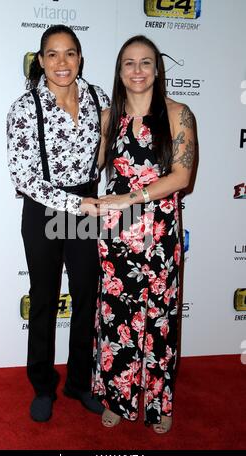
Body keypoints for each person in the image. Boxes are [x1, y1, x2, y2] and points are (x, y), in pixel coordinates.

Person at [7, 25, 110, 422]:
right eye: (52, 54)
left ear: (80, 57)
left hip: (87, 203)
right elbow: (24, 177)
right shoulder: (23, 107)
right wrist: (76, 203)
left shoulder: (99, 96)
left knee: (87, 293)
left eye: (70, 53)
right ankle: (43, 386)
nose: (62, 63)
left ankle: (80, 382)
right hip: (45, 207)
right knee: (45, 297)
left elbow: (106, 145)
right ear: (41, 60)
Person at [92, 35, 195, 433]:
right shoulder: (107, 118)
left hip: (161, 230)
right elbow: (89, 172)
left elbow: (182, 176)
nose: (137, 71)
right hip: (116, 232)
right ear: (119, 71)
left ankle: (158, 403)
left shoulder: (178, 114)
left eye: (145, 62)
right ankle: (116, 397)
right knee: (114, 316)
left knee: (160, 319)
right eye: (129, 63)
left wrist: (132, 196)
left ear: (157, 69)